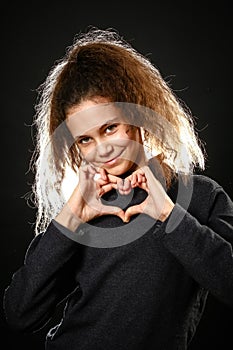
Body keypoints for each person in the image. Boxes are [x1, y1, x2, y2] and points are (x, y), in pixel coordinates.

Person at [3, 26, 233, 350]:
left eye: (109, 128)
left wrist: (168, 215)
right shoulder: (88, 209)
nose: (102, 150)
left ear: (135, 114)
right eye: (85, 139)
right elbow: (20, 313)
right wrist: (70, 218)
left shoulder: (201, 197)